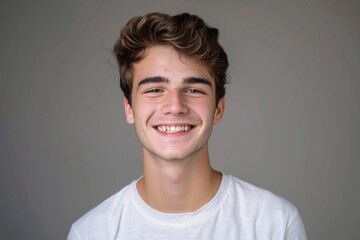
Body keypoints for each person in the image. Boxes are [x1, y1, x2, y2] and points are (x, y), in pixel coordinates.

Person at [67, 12, 307, 239]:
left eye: (194, 90)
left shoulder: (275, 224)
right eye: (154, 90)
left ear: (218, 109)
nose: (175, 106)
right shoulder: (90, 233)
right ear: (129, 108)